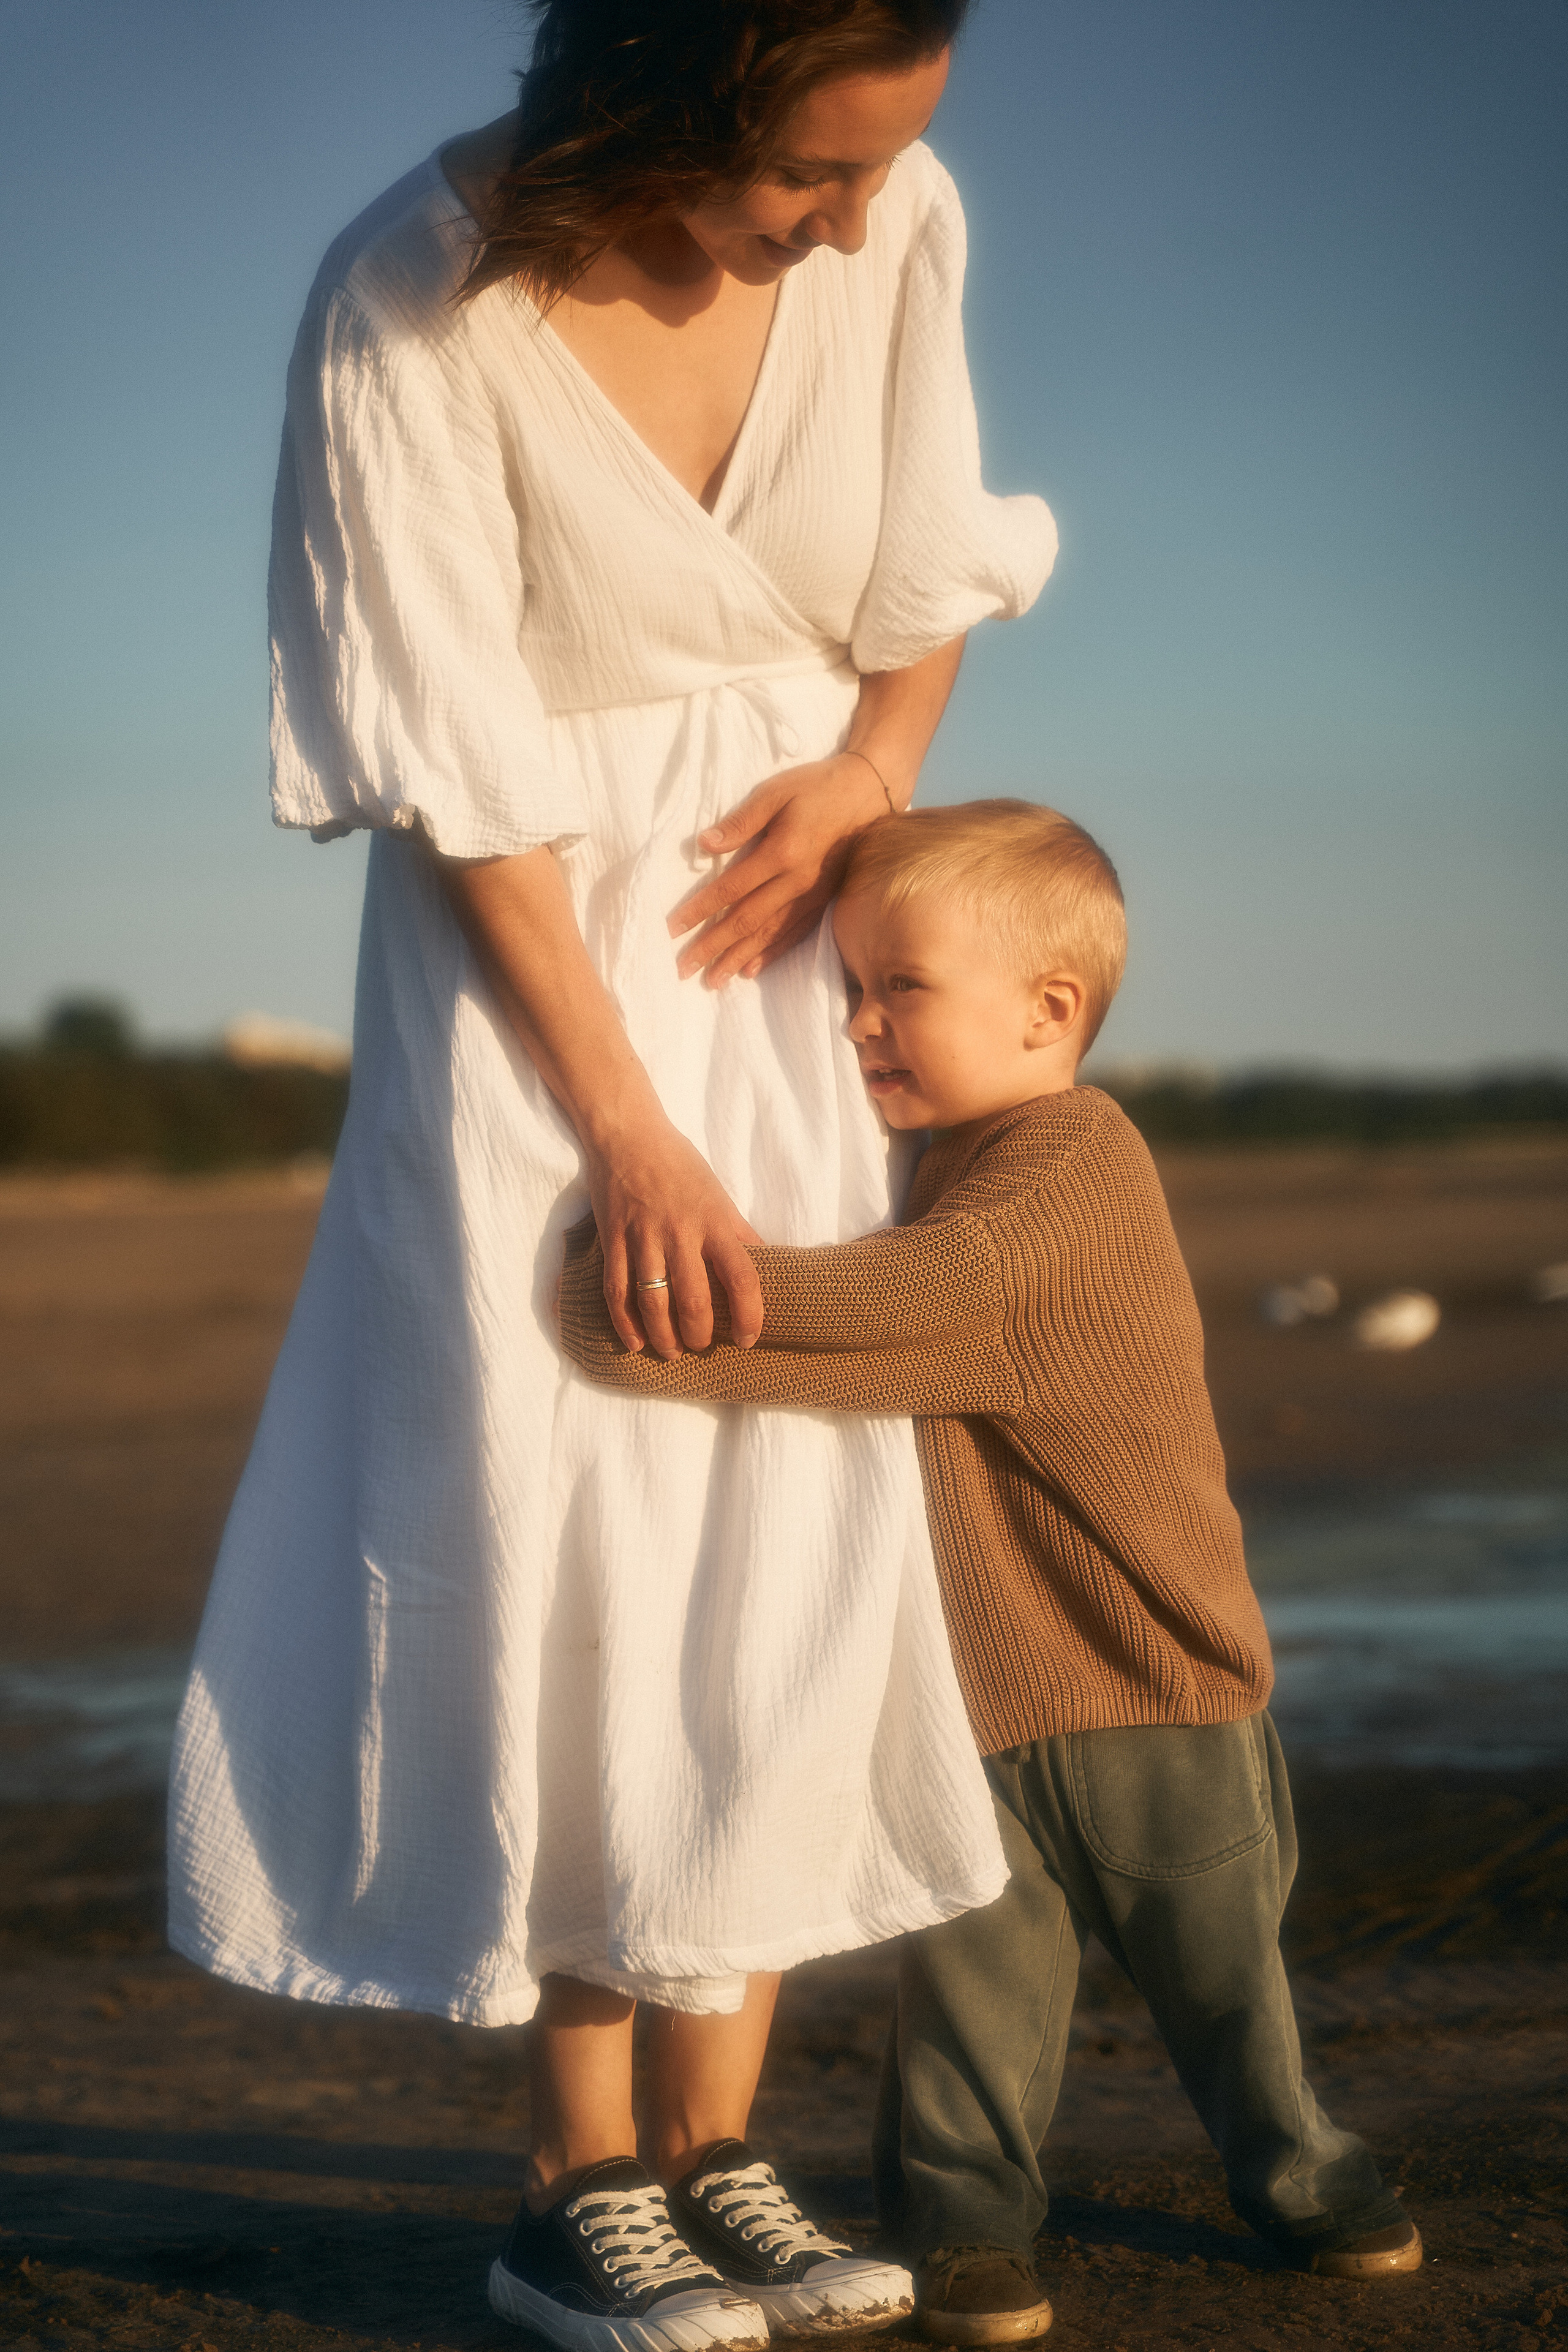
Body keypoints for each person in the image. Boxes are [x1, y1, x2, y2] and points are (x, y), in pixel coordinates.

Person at [166, 4, 1059, 2346]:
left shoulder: (903, 215)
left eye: (886, 173)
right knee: (563, 1517)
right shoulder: (409, 296)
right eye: (810, 175)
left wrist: (873, 772)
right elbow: (458, 770)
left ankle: (719, 2147)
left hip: (791, 956)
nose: (857, 221)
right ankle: (573, 2187)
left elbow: (933, 562)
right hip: (538, 981)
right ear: (663, 103)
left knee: (776, 1511)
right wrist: (626, 1126)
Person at [557, 799, 1425, 2343]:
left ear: (1049, 1012)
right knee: (968, 2006)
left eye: (902, 986)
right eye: (848, 990)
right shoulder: (921, 1168)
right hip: (976, 1699)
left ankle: (1303, 2176)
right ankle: (963, 2229)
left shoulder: (1068, 1162)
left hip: (1156, 1687)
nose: (860, 1022)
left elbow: (925, 1310)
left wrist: (629, 1311)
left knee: (1224, 1986)